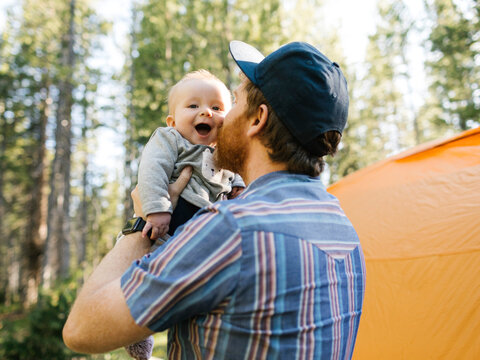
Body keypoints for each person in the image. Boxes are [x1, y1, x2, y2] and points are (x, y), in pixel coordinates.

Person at [63, 40, 366, 360]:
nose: (219, 118)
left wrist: (141, 221)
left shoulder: (230, 229)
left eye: (232, 103)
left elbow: (81, 329)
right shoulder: (345, 230)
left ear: (257, 119)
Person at [138, 69, 244, 241]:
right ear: (172, 123)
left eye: (216, 108)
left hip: (210, 225)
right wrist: (158, 208)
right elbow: (152, 169)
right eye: (193, 106)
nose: (206, 112)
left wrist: (239, 184)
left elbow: (236, 169)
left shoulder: (225, 149)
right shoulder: (171, 139)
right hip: (170, 224)